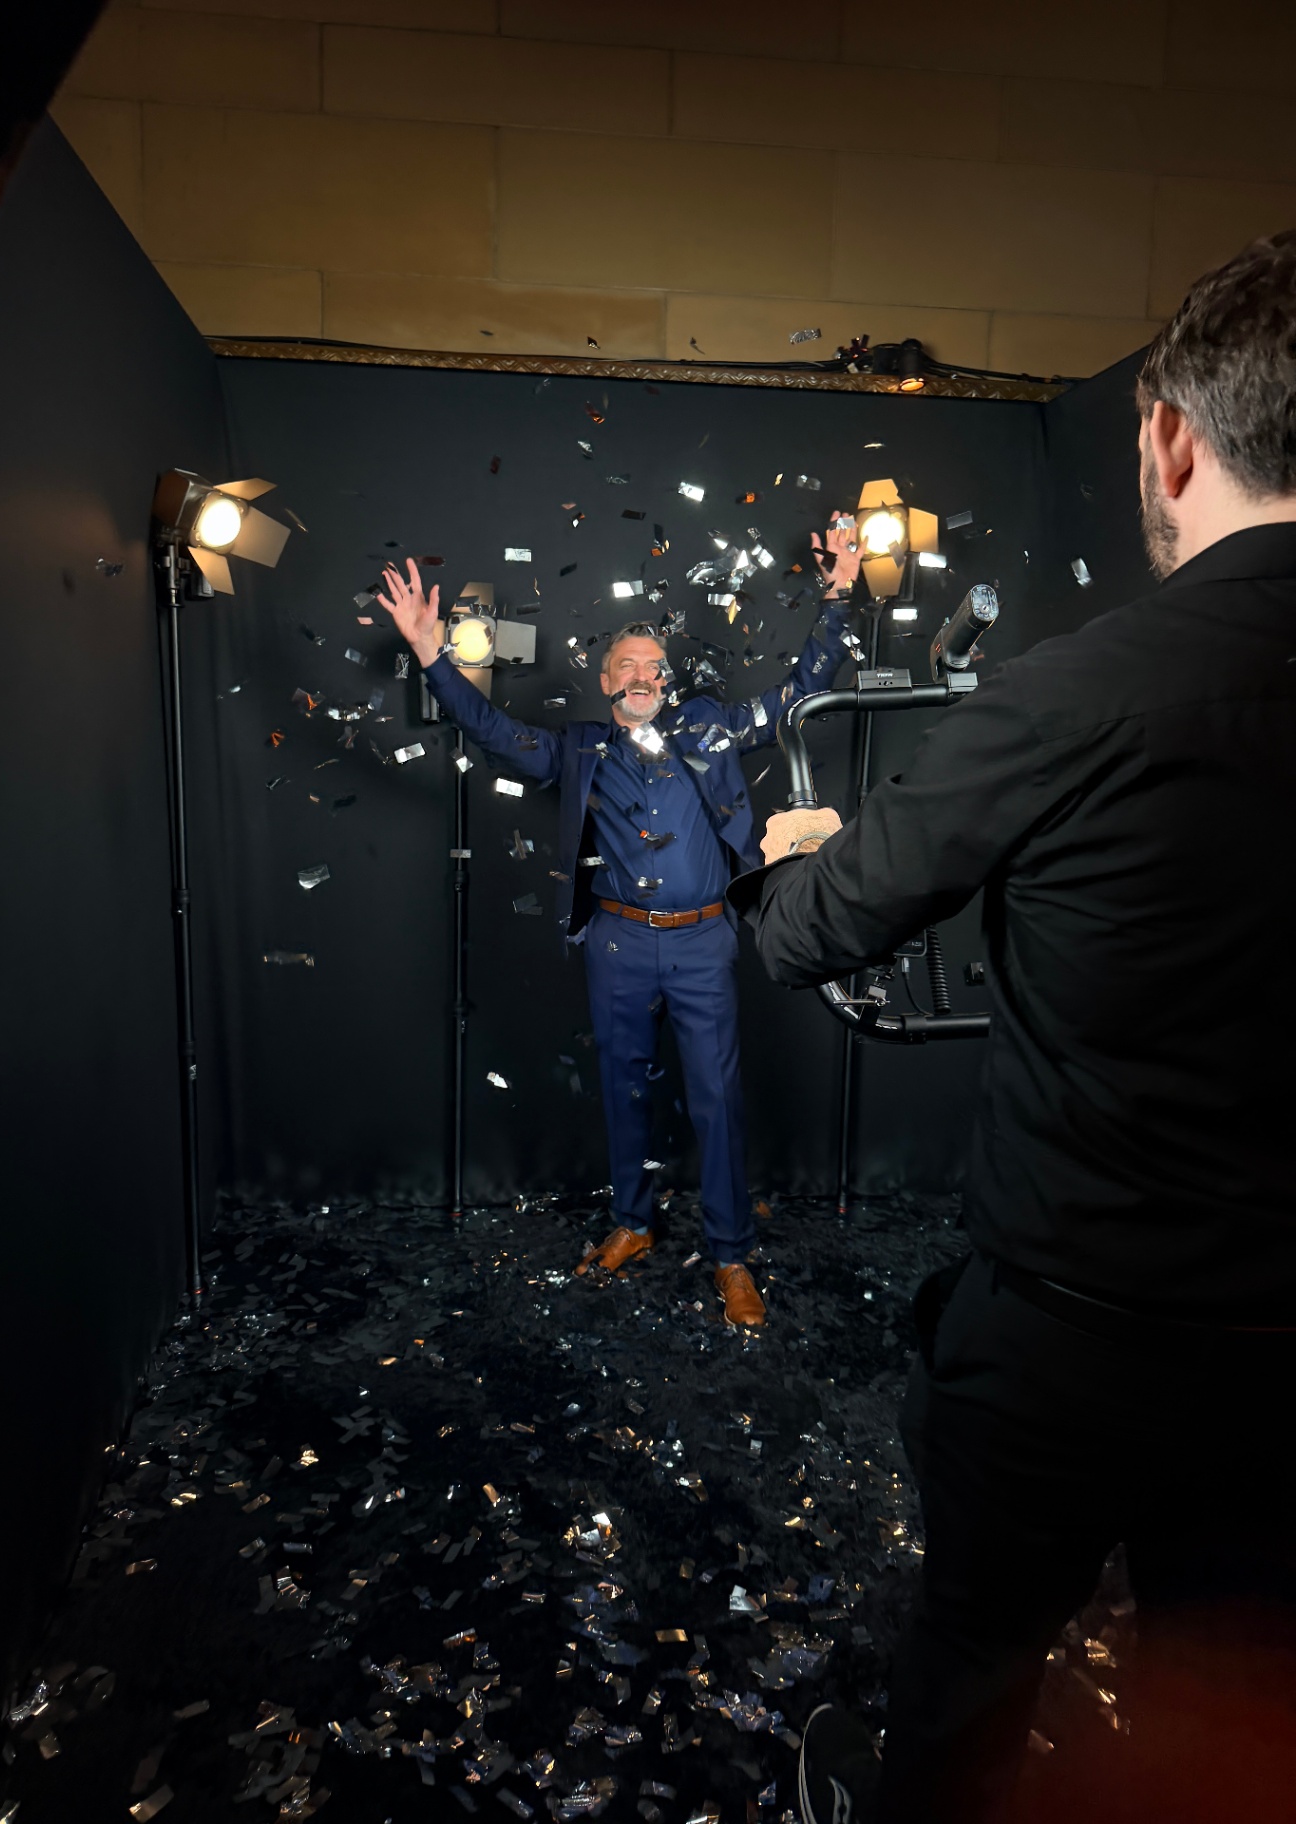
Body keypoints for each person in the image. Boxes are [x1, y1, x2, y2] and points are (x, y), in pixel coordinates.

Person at [732, 233, 1296, 1821]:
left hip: (1069, 1342)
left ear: (1174, 435)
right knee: (1247, 1720)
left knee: (975, 1678)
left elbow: (810, 936)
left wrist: (806, 858)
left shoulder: (1071, 695)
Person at [376, 519, 863, 1327]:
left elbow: (799, 687)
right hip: (617, 942)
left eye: (653, 666)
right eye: (626, 666)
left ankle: (731, 1253)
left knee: (718, 1097)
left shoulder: (712, 730)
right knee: (622, 1089)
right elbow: (493, 732)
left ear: (668, 682)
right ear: (606, 683)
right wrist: (432, 655)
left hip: (704, 940)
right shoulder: (577, 750)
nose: (642, 675)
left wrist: (839, 592)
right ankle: (633, 1224)